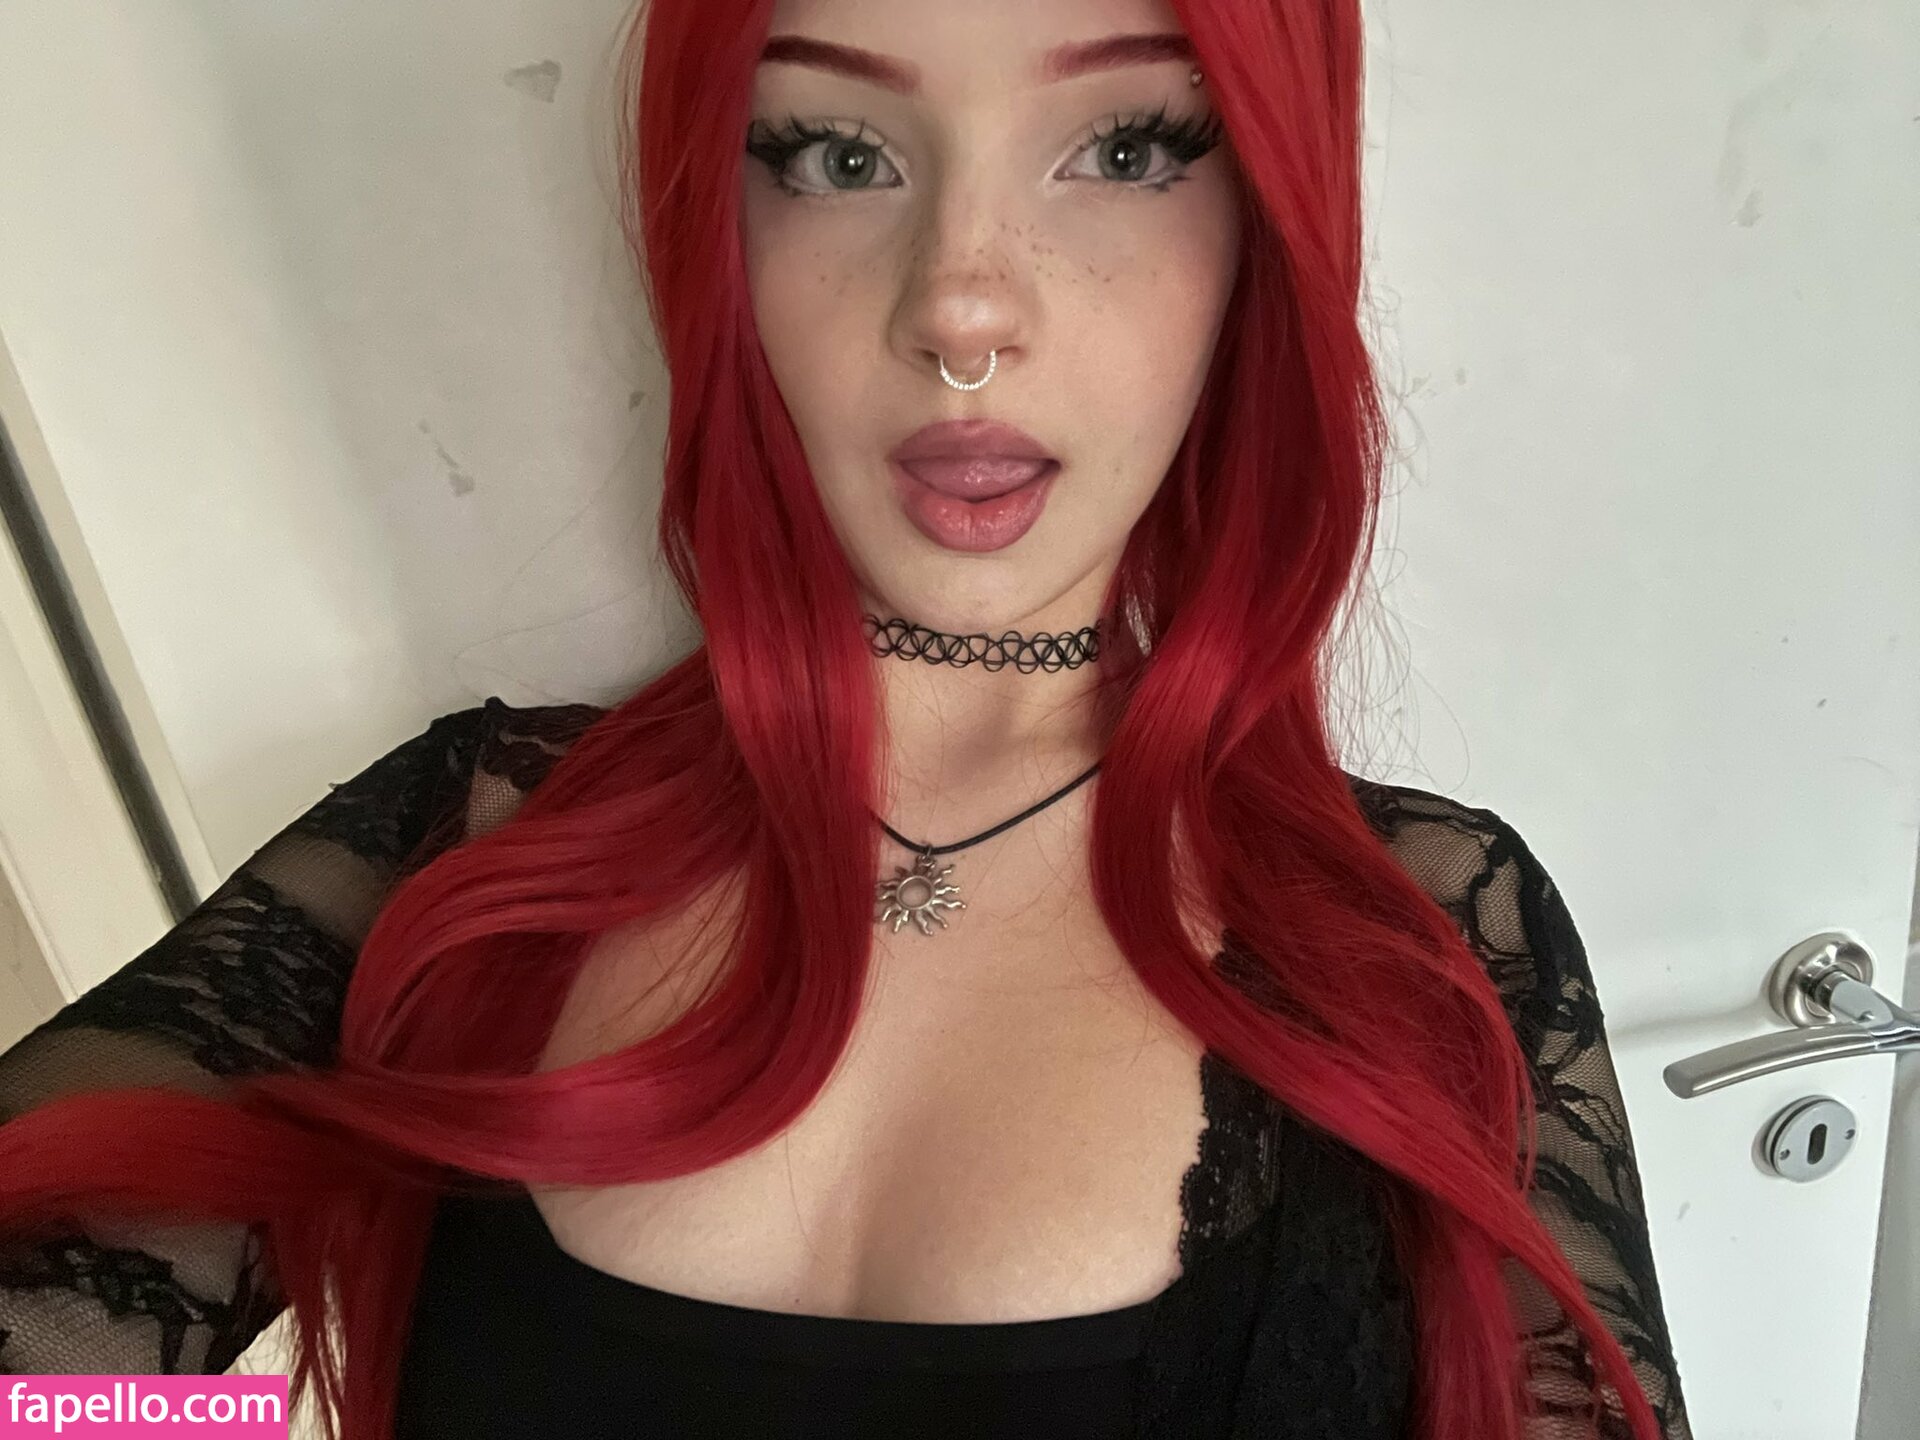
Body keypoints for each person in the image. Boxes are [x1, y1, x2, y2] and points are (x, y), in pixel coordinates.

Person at [0, 0, 1695, 1436]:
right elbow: (63, 1375)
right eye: (833, 154)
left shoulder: (1433, 930)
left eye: (1125, 148)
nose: (960, 308)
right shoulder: (470, 839)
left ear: (1264, 221)